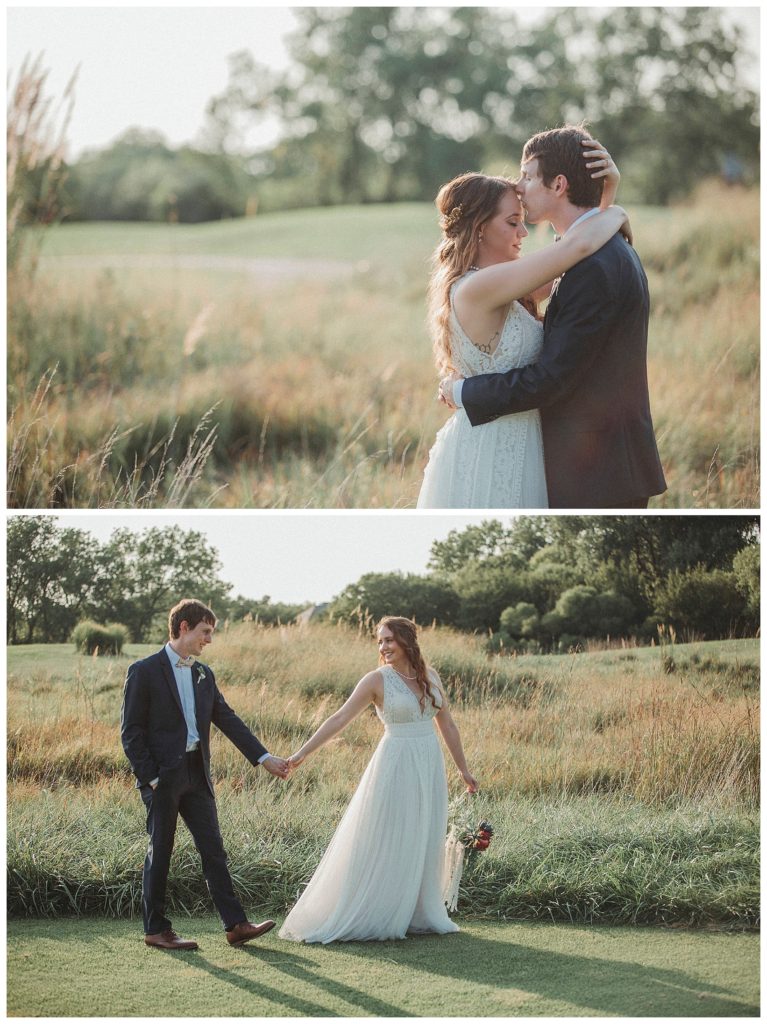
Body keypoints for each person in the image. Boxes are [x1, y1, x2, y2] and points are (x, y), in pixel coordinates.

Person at [438, 124, 667, 509]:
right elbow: (569, 250)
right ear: (479, 230)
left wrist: (463, 392)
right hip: (560, 459)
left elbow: (552, 378)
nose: (520, 186)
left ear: (559, 184)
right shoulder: (585, 257)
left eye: (527, 176)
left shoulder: (593, 262)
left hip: (599, 470)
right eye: (512, 222)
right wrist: (611, 206)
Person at [278, 616, 477, 943]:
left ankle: (417, 912)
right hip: (395, 763)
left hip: (429, 762)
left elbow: (448, 726)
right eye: (379, 641)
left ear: (407, 641)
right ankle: (380, 910)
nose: (383, 647)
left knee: (423, 833)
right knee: (391, 834)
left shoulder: (431, 676)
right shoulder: (376, 680)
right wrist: (301, 754)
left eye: (389, 640)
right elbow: (339, 718)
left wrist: (463, 769)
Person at [121, 598, 290, 951]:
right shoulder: (144, 670)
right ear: (184, 627)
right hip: (163, 778)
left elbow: (227, 719)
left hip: (197, 774)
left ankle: (236, 925)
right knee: (161, 851)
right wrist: (151, 778)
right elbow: (131, 732)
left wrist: (263, 757)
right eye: (205, 632)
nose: (208, 640)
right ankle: (156, 929)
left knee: (214, 850)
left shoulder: (203, 674)